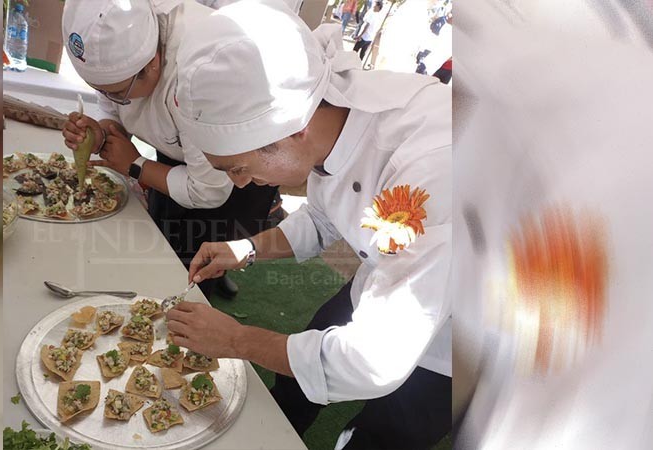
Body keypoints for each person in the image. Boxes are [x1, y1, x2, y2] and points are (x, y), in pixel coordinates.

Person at [164, 1, 451, 448]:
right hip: (388, 274)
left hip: (467, 333)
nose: (241, 185)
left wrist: (238, 339)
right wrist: (247, 249)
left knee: (388, 431)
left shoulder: (427, 166)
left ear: (291, 131)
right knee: (298, 379)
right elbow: (323, 216)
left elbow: (374, 360)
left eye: (237, 168)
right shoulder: (326, 117)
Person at [61, 0, 278, 299]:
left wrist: (135, 164)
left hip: (235, 175)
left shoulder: (202, 78)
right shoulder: (131, 41)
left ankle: (206, 289)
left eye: (115, 92)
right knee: (160, 233)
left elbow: (208, 190)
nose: (108, 98)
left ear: (153, 64)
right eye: (99, 88)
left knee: (195, 260)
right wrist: (102, 134)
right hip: (181, 153)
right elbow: (112, 106)